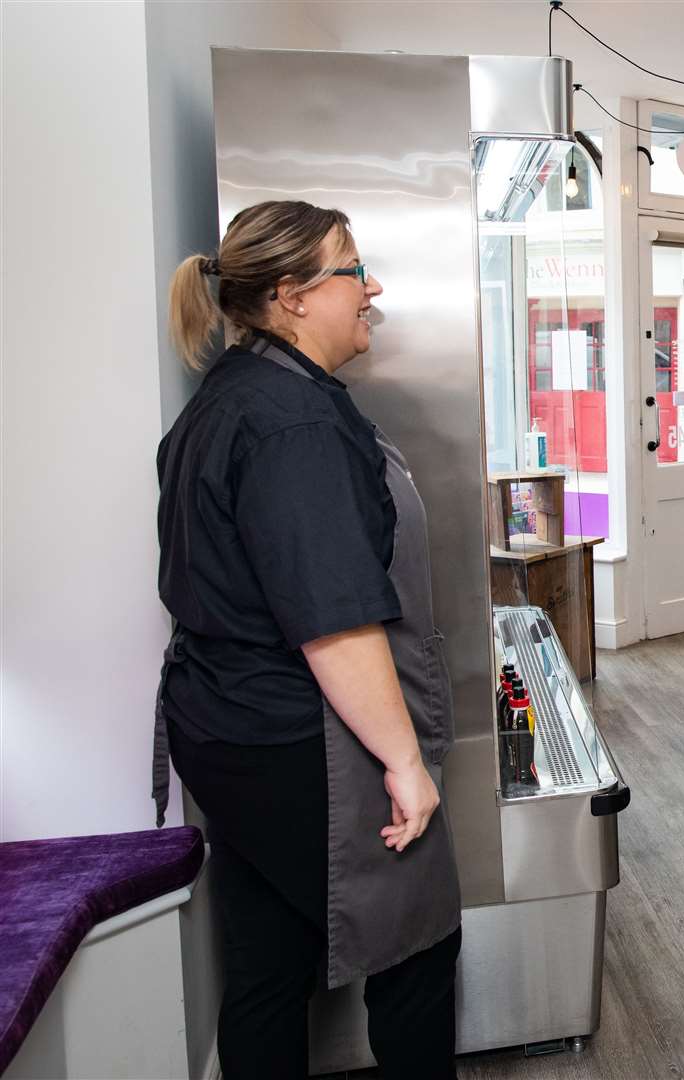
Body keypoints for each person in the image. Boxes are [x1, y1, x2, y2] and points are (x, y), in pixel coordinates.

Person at [153, 201, 461, 1078]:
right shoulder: (292, 424)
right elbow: (331, 623)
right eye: (354, 271)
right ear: (291, 296)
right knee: (415, 948)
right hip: (302, 742)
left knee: (266, 959)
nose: (373, 289)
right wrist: (405, 765)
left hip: (224, 731)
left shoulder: (230, 395)